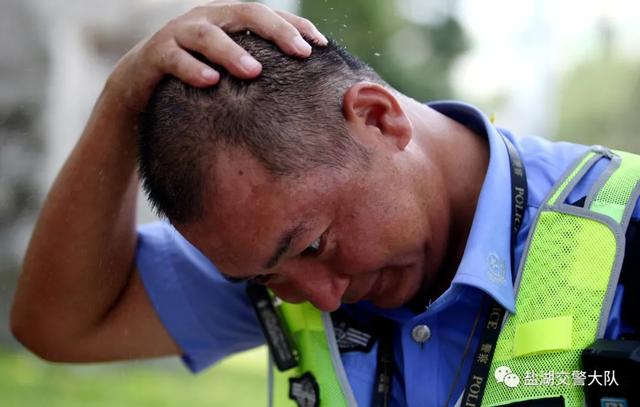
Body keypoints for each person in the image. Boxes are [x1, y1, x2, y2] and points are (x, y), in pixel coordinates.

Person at [10, 2, 639, 406]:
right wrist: (124, 97)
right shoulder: (273, 246)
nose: (322, 298)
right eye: (265, 279)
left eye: (314, 245)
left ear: (378, 117)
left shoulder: (624, 228)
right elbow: (59, 325)